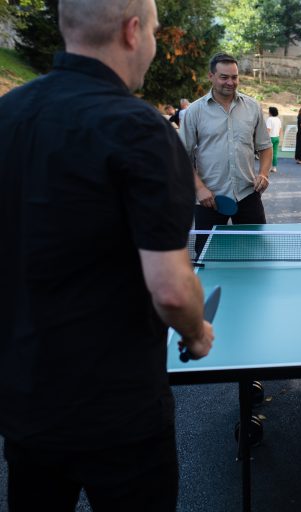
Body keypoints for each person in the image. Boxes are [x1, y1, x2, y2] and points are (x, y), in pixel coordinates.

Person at [0, 0, 215, 510]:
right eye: (156, 32)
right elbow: (169, 287)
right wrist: (196, 332)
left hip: (27, 406)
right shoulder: (142, 130)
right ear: (132, 31)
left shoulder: (7, 115)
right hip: (119, 417)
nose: (156, 45)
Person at [179, 52, 273, 257]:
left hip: (248, 195)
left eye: (234, 77)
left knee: (257, 255)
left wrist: (264, 174)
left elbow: (265, 147)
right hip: (209, 200)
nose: (230, 82)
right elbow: (180, 157)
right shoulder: (194, 111)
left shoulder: (253, 107)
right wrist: (199, 189)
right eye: (224, 77)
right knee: (207, 258)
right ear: (211, 76)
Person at [266, 106, 282, 173]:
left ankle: (267, 167)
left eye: (269, 111)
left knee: (268, 154)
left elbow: (268, 129)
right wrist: (280, 138)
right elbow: (280, 129)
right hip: (277, 137)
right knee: (275, 153)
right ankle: (274, 167)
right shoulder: (278, 119)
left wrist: (266, 138)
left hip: (270, 138)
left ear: (270, 112)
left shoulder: (269, 119)